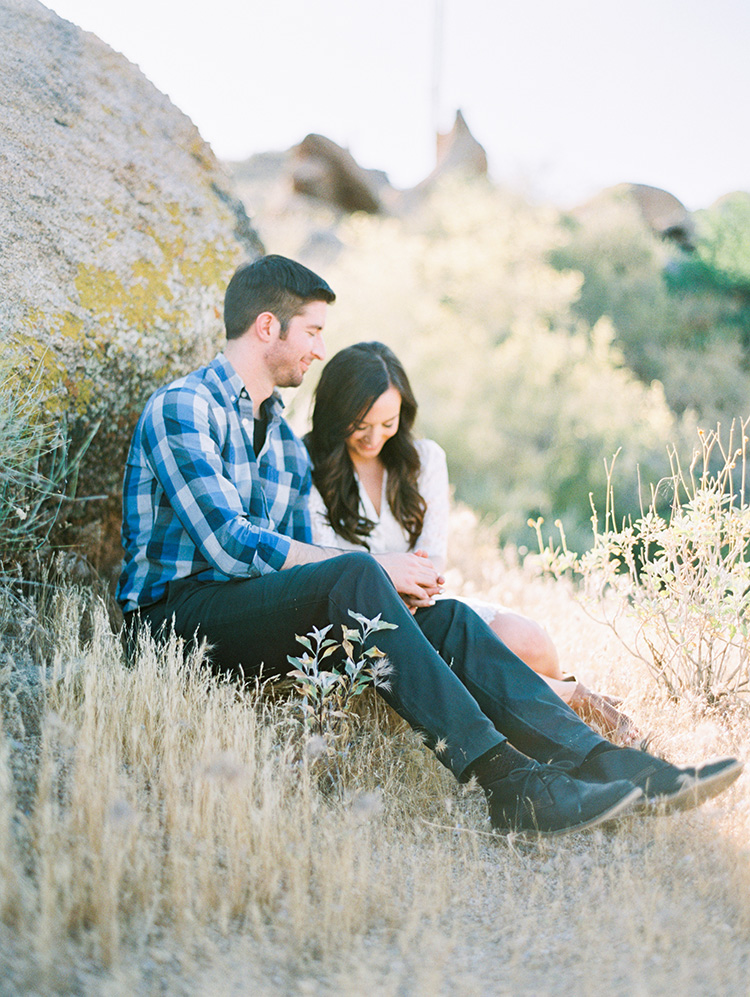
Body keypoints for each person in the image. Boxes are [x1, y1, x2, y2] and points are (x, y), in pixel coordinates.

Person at [116, 254, 742, 839]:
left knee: (450, 618)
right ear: (266, 327)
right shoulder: (184, 407)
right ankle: (512, 786)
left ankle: (610, 764)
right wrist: (376, 570)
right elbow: (229, 547)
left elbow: (301, 567)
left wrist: (393, 599)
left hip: (254, 616)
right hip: (176, 620)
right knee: (359, 574)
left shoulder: (280, 437)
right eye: (311, 331)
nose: (319, 348)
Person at [305, 341, 641, 745]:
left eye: (388, 423)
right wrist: (391, 582)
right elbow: (324, 557)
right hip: (360, 621)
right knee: (459, 651)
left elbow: (433, 554)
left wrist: (419, 584)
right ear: (336, 412)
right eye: (361, 424)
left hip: (423, 606)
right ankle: (575, 700)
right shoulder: (307, 465)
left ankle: (546, 703)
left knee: (535, 645)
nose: (374, 437)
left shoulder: (424, 459)